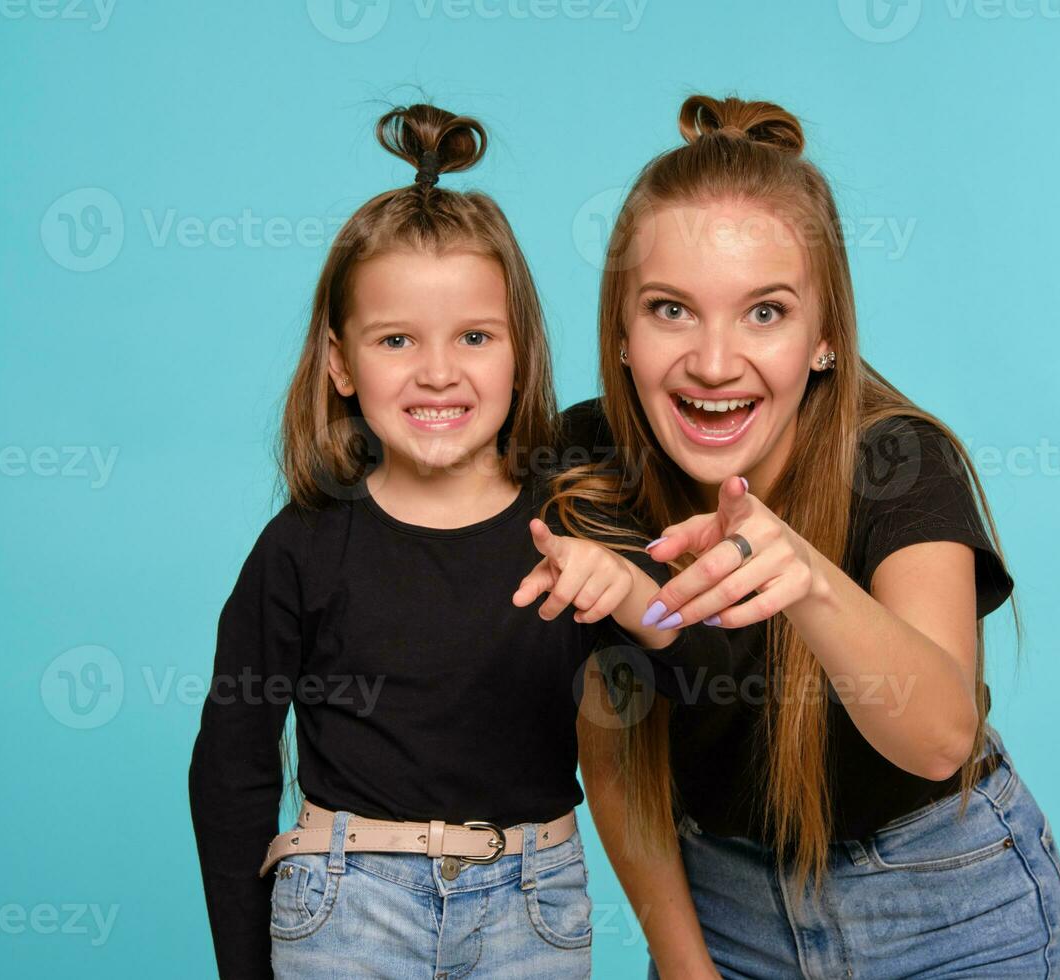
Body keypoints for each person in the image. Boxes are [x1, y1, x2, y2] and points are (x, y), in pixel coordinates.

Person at [556, 94, 1060, 978]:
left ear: (824, 336)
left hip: (945, 906)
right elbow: (617, 750)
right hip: (724, 909)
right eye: (671, 310)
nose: (715, 364)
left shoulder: (900, 462)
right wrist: (684, 964)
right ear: (623, 331)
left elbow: (942, 736)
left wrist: (808, 577)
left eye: (765, 313)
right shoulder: (584, 465)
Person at [187, 101, 696, 979]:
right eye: (395, 340)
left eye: (473, 336)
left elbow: (686, 653)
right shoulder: (301, 547)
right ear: (341, 363)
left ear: (518, 353)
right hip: (348, 906)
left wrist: (624, 587)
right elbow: (231, 766)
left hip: (531, 906)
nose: (438, 371)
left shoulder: (571, 524)